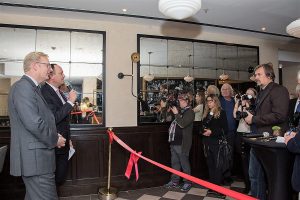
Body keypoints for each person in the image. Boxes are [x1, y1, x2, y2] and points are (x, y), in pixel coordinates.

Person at [8, 52, 66, 200]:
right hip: (35, 161)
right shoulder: (23, 88)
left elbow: (43, 119)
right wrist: (55, 139)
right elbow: (34, 123)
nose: (50, 70)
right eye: (47, 65)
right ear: (35, 66)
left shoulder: (33, 88)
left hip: (37, 159)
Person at [244, 62, 289, 200]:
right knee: (254, 175)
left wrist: (254, 119)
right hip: (258, 139)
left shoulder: (279, 90)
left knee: (271, 179)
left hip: (271, 142)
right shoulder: (262, 92)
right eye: (255, 74)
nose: (256, 77)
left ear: (269, 75)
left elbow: (279, 115)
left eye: (259, 74)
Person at [41, 63, 77, 185]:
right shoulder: (45, 92)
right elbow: (54, 118)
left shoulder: (58, 92)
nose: (64, 75)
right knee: (53, 181)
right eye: (61, 73)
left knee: (59, 179)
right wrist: (71, 101)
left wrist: (69, 139)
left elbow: (64, 120)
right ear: (51, 75)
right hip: (54, 145)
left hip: (63, 143)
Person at [164, 93, 195, 192]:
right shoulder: (180, 111)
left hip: (183, 142)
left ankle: (188, 182)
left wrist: (176, 113)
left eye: (182, 101)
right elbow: (168, 119)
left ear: (187, 101)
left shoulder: (190, 112)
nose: (180, 102)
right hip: (174, 141)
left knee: (184, 163)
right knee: (175, 163)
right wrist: (169, 111)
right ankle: (175, 181)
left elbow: (182, 124)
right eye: (179, 101)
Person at [202, 94, 228, 199]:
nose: (209, 103)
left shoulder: (222, 113)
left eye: (211, 101)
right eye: (207, 101)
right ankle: (212, 187)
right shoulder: (207, 113)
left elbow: (225, 129)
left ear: (216, 101)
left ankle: (217, 188)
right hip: (207, 143)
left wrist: (211, 132)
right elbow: (202, 126)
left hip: (217, 143)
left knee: (218, 166)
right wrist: (203, 131)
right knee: (210, 165)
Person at [233, 87, 257, 193]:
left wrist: (247, 106)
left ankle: (254, 186)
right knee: (244, 162)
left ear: (255, 97)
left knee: (252, 162)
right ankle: (248, 186)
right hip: (240, 134)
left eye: (250, 95)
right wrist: (237, 103)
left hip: (250, 135)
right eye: (246, 94)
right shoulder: (242, 104)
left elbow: (250, 120)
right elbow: (235, 116)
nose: (247, 96)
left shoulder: (255, 107)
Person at [220, 83, 236, 185]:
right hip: (222, 132)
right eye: (223, 89)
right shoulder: (220, 101)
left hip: (232, 132)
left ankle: (228, 174)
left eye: (226, 89)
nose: (224, 91)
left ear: (230, 91)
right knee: (222, 155)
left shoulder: (235, 101)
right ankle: (223, 176)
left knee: (230, 154)